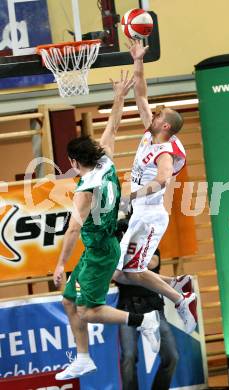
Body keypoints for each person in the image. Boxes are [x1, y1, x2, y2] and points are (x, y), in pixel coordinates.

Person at [53, 71, 161, 381]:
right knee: (69, 301)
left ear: (74, 162)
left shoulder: (85, 189)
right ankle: (83, 358)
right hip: (96, 249)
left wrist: (61, 263)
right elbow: (112, 126)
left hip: (101, 252)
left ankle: (143, 320)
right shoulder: (106, 162)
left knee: (88, 311)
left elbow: (73, 231)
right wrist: (118, 96)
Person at [113, 40, 197, 334]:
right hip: (139, 212)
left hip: (150, 215)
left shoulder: (165, 151)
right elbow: (141, 91)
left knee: (131, 271)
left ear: (166, 127)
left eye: (159, 115)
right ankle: (176, 286)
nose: (152, 114)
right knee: (118, 273)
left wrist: (130, 196)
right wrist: (138, 60)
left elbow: (162, 180)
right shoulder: (152, 133)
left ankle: (179, 298)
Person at [116, 218, 179, 390]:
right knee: (128, 357)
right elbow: (115, 273)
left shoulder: (150, 241)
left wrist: (130, 267)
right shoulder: (116, 244)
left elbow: (153, 263)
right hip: (127, 307)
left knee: (171, 356)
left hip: (153, 307)